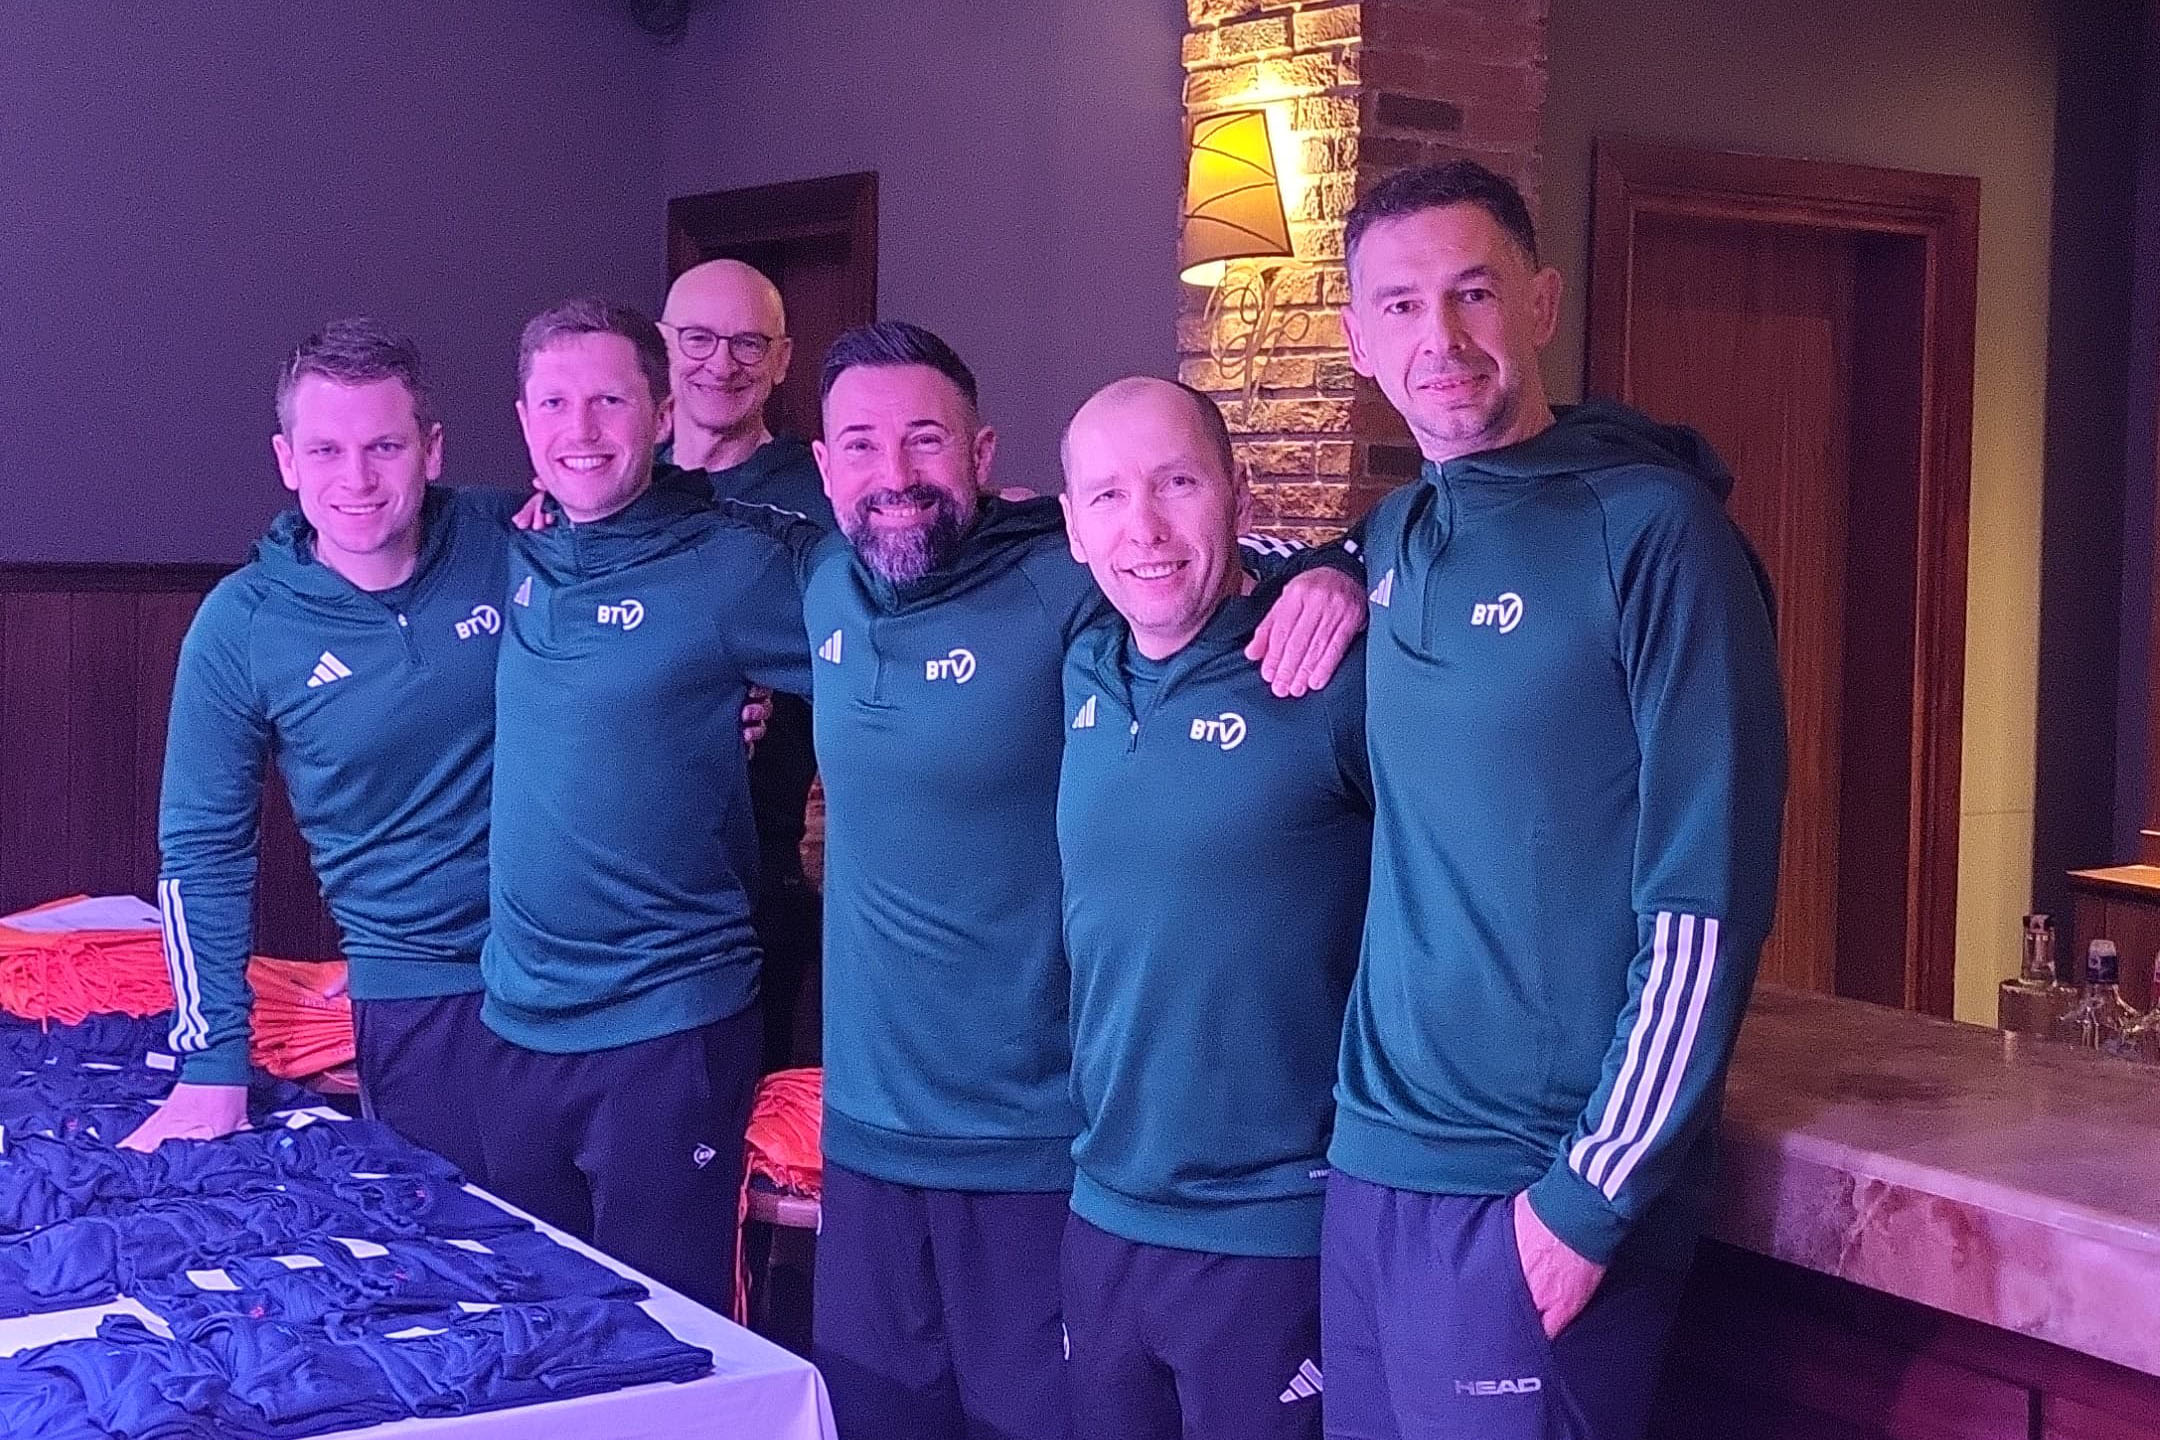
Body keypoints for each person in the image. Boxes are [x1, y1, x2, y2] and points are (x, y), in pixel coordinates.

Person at [710, 320, 1363, 1440]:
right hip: (863, 1142)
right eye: (860, 445)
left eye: (927, 440)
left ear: (981, 454)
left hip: (1037, 1147)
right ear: (822, 466)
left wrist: (1340, 569)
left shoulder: (1067, 587)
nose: (895, 474)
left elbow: (1197, 557)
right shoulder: (820, 584)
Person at [1319, 160, 1788, 1440]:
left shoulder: (1656, 534)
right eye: (1400, 306)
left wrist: (1591, 1197)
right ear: (1357, 341)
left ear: (1540, 302)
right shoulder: (1397, 537)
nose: (1440, 337)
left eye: (1473, 292)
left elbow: (1707, 901)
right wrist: (1322, 564)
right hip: (1371, 1172)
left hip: (1537, 1180)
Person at [475, 297, 812, 1313]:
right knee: (538, 1337)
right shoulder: (506, 548)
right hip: (517, 1023)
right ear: (523, 420)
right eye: (554, 403)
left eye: (610, 401)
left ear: (662, 415)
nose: (580, 430)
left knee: (674, 1344)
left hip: (668, 1030)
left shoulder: (737, 563)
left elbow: (885, 648)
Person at [1055, 376, 1372, 1440]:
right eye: (1108, 497)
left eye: (1177, 484)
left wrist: (1342, 566)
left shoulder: (1327, 670)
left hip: (1274, 1226)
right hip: (1103, 1210)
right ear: (1073, 527)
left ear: (1238, 491)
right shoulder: (1085, 666)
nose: (1143, 528)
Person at [128, 319, 510, 1177]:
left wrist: (726, 703)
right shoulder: (242, 624)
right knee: (458, 1244)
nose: (357, 479)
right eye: (327, 451)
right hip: (418, 998)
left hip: (583, 976)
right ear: (287, 461)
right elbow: (202, 851)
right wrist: (212, 1060)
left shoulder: (515, 538)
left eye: (384, 447)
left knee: (607, 1258)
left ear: (432, 450)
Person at [658, 257, 831, 1072]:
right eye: (697, 339)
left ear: (782, 359)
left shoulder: (825, 491)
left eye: (747, 344)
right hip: (635, 871)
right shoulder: (622, 481)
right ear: (664, 345)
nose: (720, 364)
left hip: (764, 869)